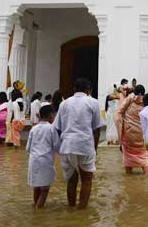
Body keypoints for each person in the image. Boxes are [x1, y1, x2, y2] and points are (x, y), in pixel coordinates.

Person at [53, 77, 103, 209]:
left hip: (67, 145)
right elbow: (97, 129)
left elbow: (57, 128)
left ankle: (71, 208)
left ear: (74, 89)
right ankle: (82, 211)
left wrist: (60, 147)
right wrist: (95, 149)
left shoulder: (64, 104)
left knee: (71, 180)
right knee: (87, 179)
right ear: (88, 90)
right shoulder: (93, 102)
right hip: (85, 144)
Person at [26, 104, 60, 209]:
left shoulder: (33, 129)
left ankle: (36, 207)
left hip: (33, 161)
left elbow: (28, 148)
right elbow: (57, 146)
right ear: (50, 115)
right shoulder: (51, 129)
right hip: (46, 162)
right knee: (45, 189)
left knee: (36, 188)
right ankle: (39, 211)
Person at [114, 84, 148, 174]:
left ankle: (128, 180)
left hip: (128, 134)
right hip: (142, 135)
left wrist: (120, 131)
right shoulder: (146, 102)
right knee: (144, 156)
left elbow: (118, 115)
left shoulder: (129, 100)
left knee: (128, 157)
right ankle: (147, 178)